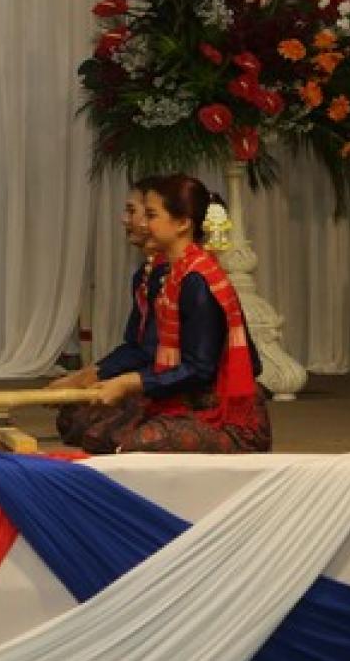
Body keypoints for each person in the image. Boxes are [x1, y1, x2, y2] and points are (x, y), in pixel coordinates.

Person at [87, 174, 270, 453]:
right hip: (186, 401)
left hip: (223, 415)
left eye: (151, 216)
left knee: (133, 446)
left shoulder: (198, 280)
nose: (143, 224)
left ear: (183, 223)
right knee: (96, 432)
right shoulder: (175, 274)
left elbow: (201, 370)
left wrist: (130, 382)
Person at [49, 178, 169, 452]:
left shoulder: (186, 276)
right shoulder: (146, 275)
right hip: (153, 377)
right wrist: (88, 375)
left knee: (99, 431)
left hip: (180, 386)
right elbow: (136, 346)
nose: (125, 219)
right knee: (73, 418)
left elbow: (155, 353)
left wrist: (96, 379)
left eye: (133, 211)